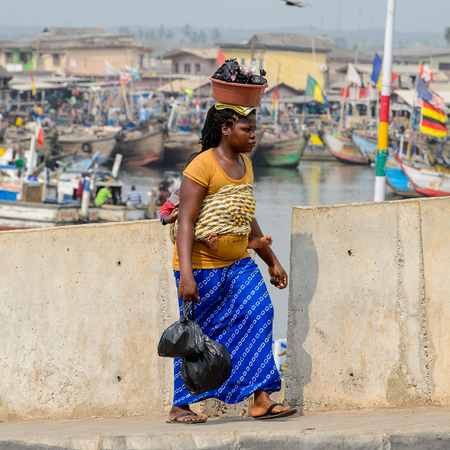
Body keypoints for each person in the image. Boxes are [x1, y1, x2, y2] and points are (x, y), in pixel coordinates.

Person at [168, 103, 295, 423]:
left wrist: (272, 261)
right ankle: (181, 405)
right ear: (226, 130)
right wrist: (186, 274)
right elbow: (186, 221)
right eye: (246, 130)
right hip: (200, 265)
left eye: (254, 130)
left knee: (260, 313)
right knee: (200, 333)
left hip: (238, 261)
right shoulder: (201, 166)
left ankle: (262, 398)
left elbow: (245, 215)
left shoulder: (246, 165)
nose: (253, 136)